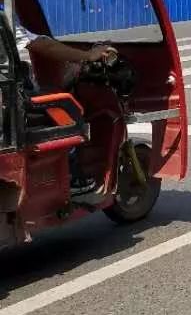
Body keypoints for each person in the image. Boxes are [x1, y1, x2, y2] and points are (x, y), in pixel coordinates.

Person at [5, 12, 117, 195]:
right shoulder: (4, 15)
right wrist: (87, 56)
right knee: (67, 110)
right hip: (9, 105)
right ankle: (72, 178)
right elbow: (42, 45)